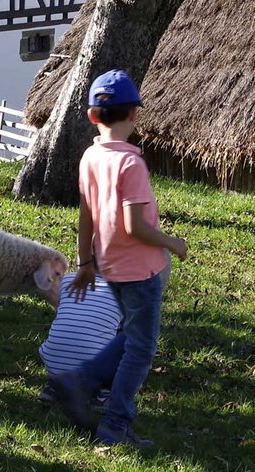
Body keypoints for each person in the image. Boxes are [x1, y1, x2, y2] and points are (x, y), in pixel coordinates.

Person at [53, 69, 188, 450]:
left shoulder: (91, 156)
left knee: (131, 334)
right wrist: (173, 243)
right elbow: (137, 227)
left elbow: (86, 214)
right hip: (141, 270)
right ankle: (114, 426)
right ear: (134, 115)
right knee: (141, 349)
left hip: (109, 266)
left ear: (93, 117)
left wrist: (86, 263)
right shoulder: (131, 165)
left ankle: (77, 381)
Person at [37, 268, 123, 411]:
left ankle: (53, 385)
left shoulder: (67, 279)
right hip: (92, 365)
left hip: (53, 360)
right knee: (127, 337)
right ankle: (103, 393)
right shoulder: (122, 291)